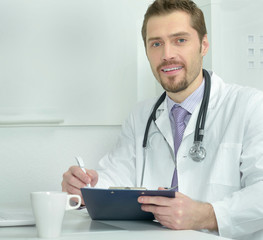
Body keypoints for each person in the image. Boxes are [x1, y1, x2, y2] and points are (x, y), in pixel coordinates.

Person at [61, 0, 263, 239]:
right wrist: (87, 188)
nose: (167, 55)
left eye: (180, 40)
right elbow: (116, 179)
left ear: (204, 44)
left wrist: (207, 215)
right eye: (156, 43)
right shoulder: (141, 116)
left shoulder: (250, 106)